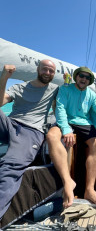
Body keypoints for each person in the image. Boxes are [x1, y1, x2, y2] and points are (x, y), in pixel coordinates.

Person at [0, 60, 58, 220]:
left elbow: (73, 94)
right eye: (45, 69)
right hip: (10, 124)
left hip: (30, 131)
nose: (47, 73)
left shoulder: (55, 89)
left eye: (51, 71)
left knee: (11, 167)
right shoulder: (19, 87)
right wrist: (3, 78)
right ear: (37, 69)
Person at [46, 67, 96, 209]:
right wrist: (66, 129)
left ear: (89, 81)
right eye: (81, 76)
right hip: (66, 122)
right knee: (51, 136)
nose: (84, 79)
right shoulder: (65, 89)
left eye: (87, 78)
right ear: (76, 77)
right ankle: (67, 182)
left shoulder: (92, 95)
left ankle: (89, 190)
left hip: (84, 123)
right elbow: (60, 109)